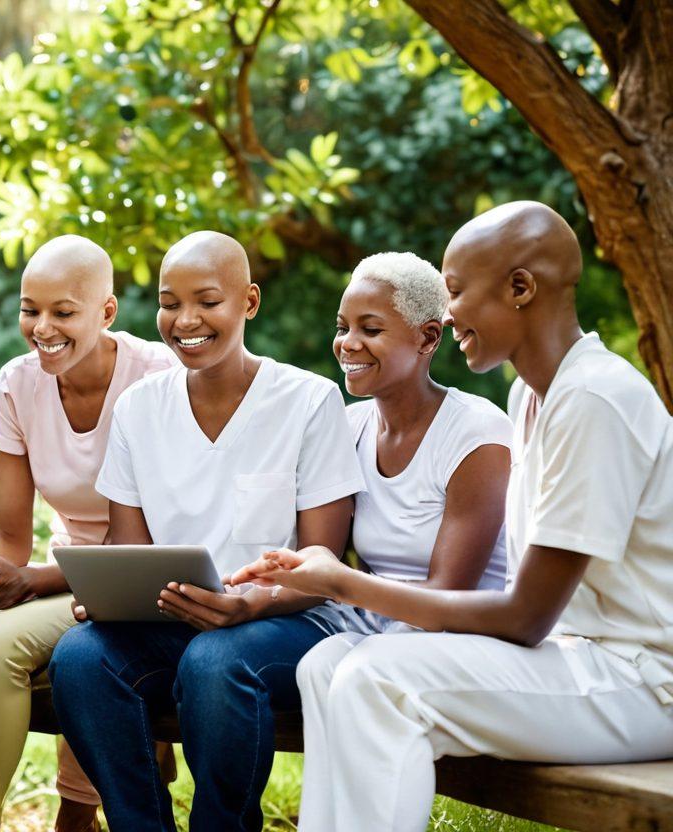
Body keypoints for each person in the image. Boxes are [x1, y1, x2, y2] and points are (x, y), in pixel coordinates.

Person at [231, 202, 673, 832]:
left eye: (457, 291)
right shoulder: (533, 396)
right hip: (584, 659)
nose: (447, 313)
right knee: (325, 666)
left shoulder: (596, 398)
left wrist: (340, 581)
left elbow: (524, 618)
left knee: (378, 681)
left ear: (521, 288)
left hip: (647, 682)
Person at [47, 231, 366, 832]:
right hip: (171, 618)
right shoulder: (141, 407)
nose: (184, 320)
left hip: (285, 621)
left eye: (207, 301)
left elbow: (324, 571)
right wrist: (113, 598)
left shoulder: (308, 400)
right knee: (81, 658)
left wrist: (248, 605)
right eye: (170, 302)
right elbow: (129, 546)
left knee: (216, 661)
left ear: (249, 302)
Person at [0, 235, 176, 832]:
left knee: (3, 646)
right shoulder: (17, 383)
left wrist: (35, 580)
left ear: (106, 312)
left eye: (63, 311)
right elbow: (8, 530)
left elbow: (159, 537)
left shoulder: (158, 376)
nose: (42, 326)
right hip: (64, 566)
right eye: (30, 309)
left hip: (142, 575)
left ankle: (12, 819)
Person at [337, 250, 511, 601]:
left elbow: (449, 595)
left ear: (429, 338)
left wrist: (335, 584)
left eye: (370, 329)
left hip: (454, 632)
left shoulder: (476, 433)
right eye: (343, 327)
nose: (348, 344)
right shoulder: (348, 426)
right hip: (371, 622)